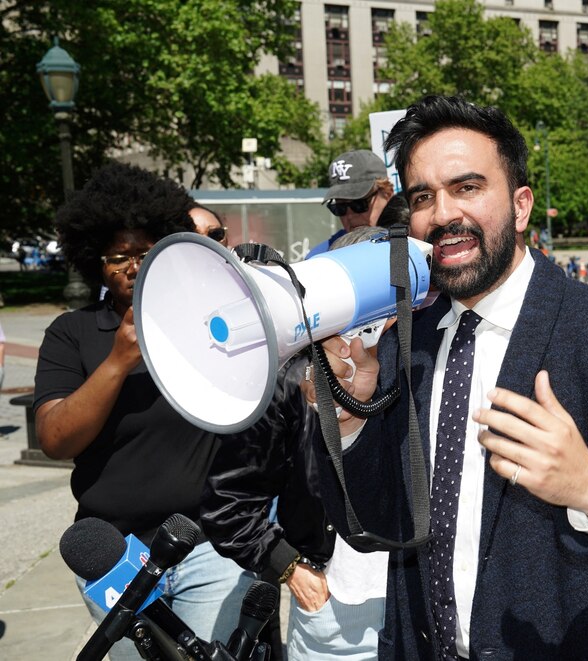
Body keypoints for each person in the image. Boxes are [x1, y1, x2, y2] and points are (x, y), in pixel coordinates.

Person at [315, 95, 588, 659]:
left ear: (520, 206)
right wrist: (351, 424)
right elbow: (374, 522)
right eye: (422, 197)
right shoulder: (403, 340)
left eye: (467, 188)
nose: (442, 215)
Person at [33, 162, 253, 660]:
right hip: (115, 555)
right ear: (96, 263)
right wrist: (118, 360)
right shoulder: (72, 334)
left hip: (209, 547)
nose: (134, 266)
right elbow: (54, 438)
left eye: (147, 251)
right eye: (118, 256)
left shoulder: (208, 322)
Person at [202, 226, 391, 661]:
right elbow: (227, 502)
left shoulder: (426, 366)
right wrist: (292, 568)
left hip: (423, 603)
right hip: (336, 615)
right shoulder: (290, 382)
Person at [307, 150, 394, 257]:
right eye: (340, 207)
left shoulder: (412, 244)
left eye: (359, 204)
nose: (350, 215)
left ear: (387, 193)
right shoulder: (321, 258)